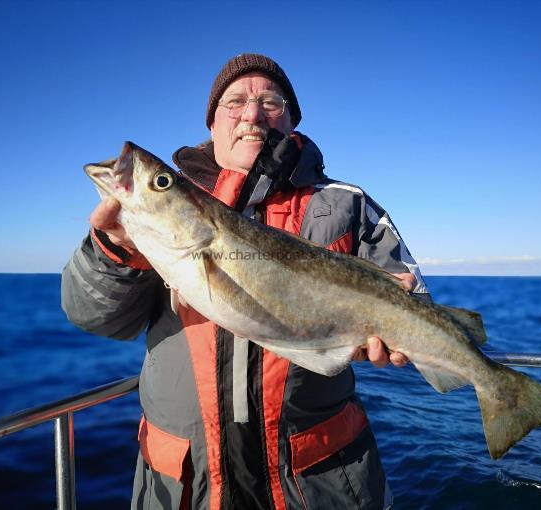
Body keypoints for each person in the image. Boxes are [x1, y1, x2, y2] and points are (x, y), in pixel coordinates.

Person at [62, 54, 431, 510]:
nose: (252, 114)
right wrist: (115, 251)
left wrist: (400, 320)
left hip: (318, 483)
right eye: (234, 102)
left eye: (270, 102)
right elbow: (95, 318)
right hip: (185, 486)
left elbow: (411, 296)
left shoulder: (346, 205)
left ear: (291, 119)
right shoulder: (155, 222)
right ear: (213, 124)